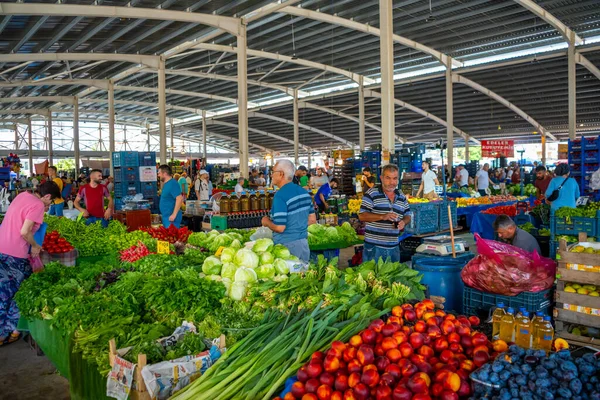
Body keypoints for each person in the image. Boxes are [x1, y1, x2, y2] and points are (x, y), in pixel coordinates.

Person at [0, 181, 61, 345]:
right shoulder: (38, 205)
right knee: (21, 293)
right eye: (51, 201)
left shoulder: (22, 195)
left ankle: (1, 333)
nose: (49, 205)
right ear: (47, 196)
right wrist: (35, 246)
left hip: (2, 248)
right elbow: (24, 231)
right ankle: (13, 330)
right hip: (16, 254)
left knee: (3, 292)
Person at [261, 160, 316, 262]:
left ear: (281, 174)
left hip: (287, 248)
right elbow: (312, 220)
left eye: (273, 172)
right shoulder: (304, 193)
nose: (271, 175)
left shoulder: (280, 195)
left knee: (291, 276)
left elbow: (280, 228)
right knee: (302, 275)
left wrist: (266, 222)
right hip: (303, 245)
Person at [359, 164, 412, 263]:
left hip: (394, 247)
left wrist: (404, 222)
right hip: (374, 248)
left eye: (395, 178)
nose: (392, 182)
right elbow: (362, 216)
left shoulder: (401, 196)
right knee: (373, 277)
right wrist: (382, 216)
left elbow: (408, 214)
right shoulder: (371, 194)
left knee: (393, 277)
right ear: (381, 178)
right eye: (388, 178)